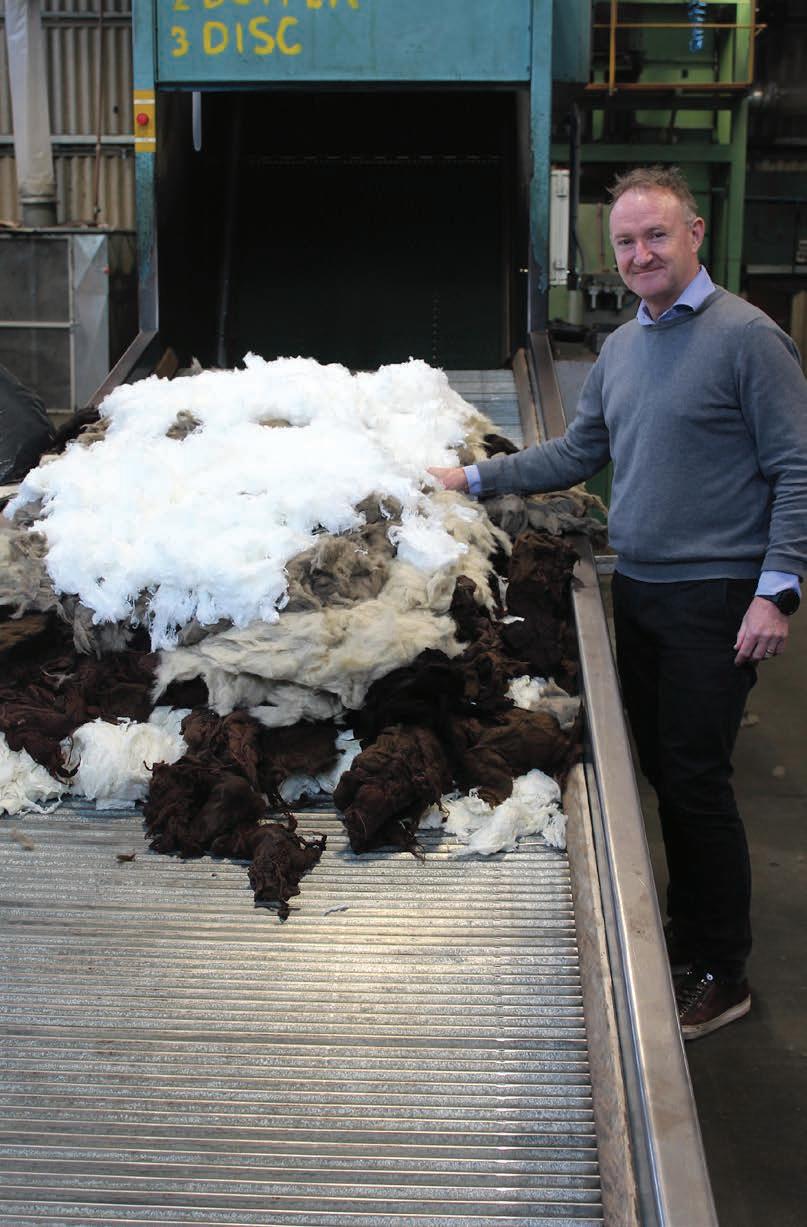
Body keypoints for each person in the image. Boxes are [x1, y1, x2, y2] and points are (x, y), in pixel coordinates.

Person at [429, 165, 807, 1040]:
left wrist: (777, 591)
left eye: (655, 235)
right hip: (637, 587)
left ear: (694, 234)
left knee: (696, 779)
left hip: (716, 595)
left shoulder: (748, 339)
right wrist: (471, 477)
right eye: (626, 242)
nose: (640, 254)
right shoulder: (624, 347)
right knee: (666, 774)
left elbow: (795, 468)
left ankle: (721, 969)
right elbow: (577, 451)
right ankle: (685, 935)